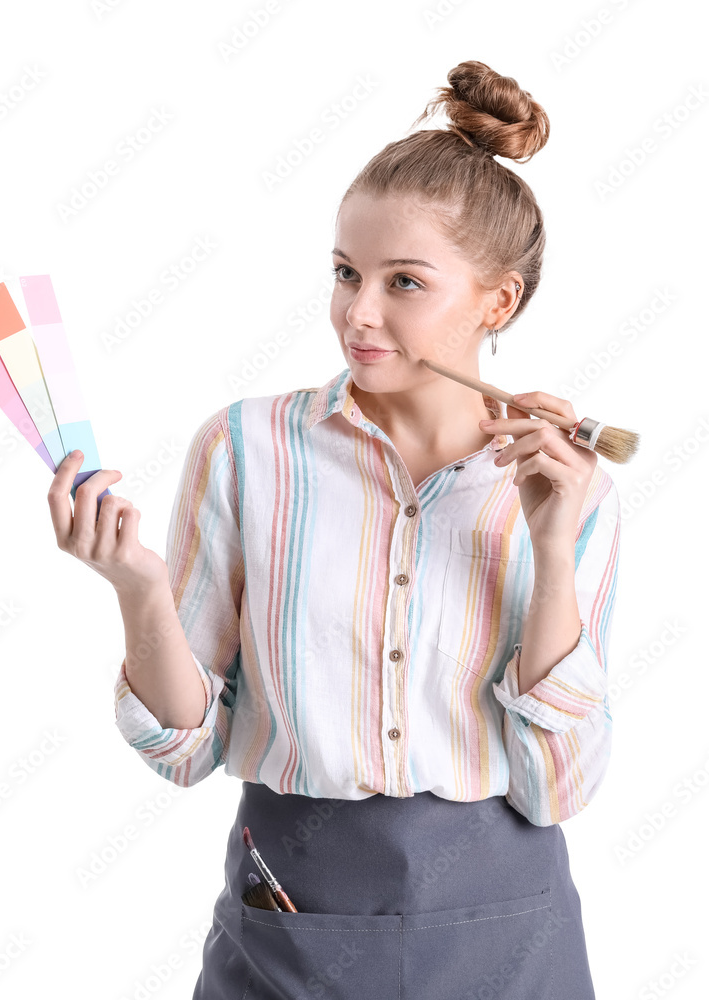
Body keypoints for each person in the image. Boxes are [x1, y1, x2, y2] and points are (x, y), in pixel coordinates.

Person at [48, 60, 621, 998]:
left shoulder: (565, 484)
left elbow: (560, 790)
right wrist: (139, 589)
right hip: (291, 918)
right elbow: (188, 752)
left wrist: (550, 546)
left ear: (498, 301)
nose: (358, 313)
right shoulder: (245, 448)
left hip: (508, 933)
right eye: (346, 273)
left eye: (404, 282)